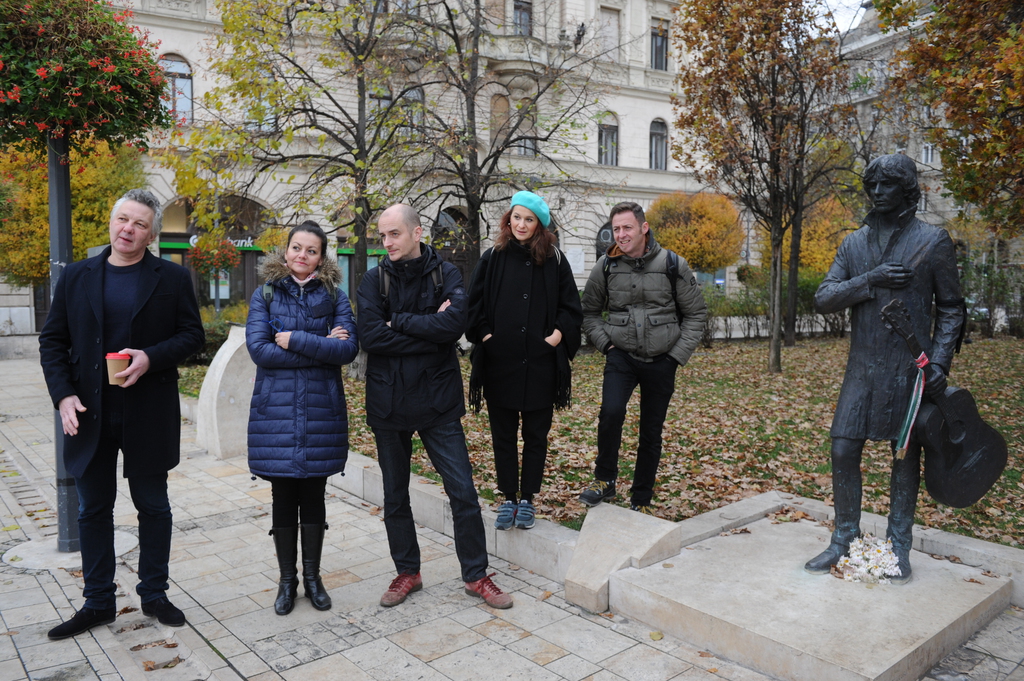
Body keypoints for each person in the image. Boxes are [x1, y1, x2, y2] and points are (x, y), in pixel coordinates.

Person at [39, 189, 205, 640]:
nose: (127, 229)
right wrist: (63, 397)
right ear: (111, 222)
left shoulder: (171, 278)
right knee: (93, 509)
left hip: (147, 410)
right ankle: (98, 603)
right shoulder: (76, 277)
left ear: (151, 233)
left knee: (153, 506)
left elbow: (193, 335)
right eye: (121, 219)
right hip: (89, 412)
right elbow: (53, 341)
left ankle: (153, 593)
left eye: (138, 224)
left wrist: (151, 357)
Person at [804, 153, 963, 584]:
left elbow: (951, 309)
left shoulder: (932, 241)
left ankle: (898, 546)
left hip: (911, 369)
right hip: (862, 368)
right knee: (842, 448)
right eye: (871, 185)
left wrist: (941, 362)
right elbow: (824, 297)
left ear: (906, 189)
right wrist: (869, 279)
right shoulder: (855, 244)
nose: (877, 193)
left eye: (886, 185)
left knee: (904, 455)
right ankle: (844, 540)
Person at [356, 203, 513, 609]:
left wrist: (400, 323)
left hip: (438, 400)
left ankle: (477, 576)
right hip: (388, 402)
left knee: (462, 491)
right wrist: (427, 329)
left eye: (394, 234)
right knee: (395, 495)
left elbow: (452, 328)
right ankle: (407, 572)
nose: (386, 242)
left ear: (417, 232)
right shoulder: (373, 281)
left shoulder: (448, 274)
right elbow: (371, 338)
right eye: (382, 235)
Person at [245, 221, 358, 615]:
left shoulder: (335, 296)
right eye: (297, 247)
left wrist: (294, 339)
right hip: (275, 412)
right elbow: (260, 350)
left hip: (320, 411)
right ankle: (287, 580)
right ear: (286, 249)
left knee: (314, 494)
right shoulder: (266, 294)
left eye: (311, 250)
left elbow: (347, 351)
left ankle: (313, 578)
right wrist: (322, 345)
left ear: (322, 256)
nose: (302, 256)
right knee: (282, 496)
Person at [579, 201, 706, 513]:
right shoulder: (606, 266)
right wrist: (606, 346)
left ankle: (641, 499)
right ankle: (605, 480)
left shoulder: (673, 264)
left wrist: (676, 357)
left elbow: (696, 314)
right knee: (610, 413)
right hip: (620, 356)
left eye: (627, 228)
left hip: (663, 359)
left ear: (643, 228)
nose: (620, 235)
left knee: (651, 431)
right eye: (616, 229)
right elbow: (589, 312)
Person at [466, 191, 583, 530]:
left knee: (536, 436)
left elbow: (571, 308)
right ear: (508, 219)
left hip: (541, 365)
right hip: (499, 363)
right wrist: (488, 336)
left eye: (529, 219)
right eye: (516, 217)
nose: (521, 224)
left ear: (539, 225)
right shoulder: (492, 257)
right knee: (502, 435)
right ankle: (507, 498)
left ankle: (528, 498)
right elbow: (473, 305)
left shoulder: (556, 260)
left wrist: (555, 338)